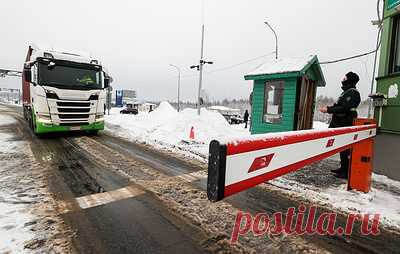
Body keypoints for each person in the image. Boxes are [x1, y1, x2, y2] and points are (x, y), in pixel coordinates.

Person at [319, 72, 361, 179]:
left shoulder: (353, 93)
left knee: (346, 147)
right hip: (340, 122)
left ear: (350, 80)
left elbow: (344, 108)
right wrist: (331, 108)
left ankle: (346, 171)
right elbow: (340, 106)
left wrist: (328, 110)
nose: (343, 79)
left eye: (345, 77)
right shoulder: (346, 92)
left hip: (345, 122)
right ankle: (343, 168)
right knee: (342, 146)